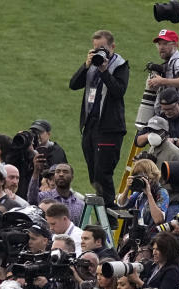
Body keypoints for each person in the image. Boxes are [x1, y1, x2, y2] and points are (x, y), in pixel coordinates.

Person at [69, 29, 129, 207]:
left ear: (112, 47)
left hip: (109, 127)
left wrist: (104, 70)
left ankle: (109, 217)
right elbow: (73, 85)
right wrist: (86, 65)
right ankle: (102, 211)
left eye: (102, 48)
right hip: (90, 125)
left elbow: (118, 91)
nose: (99, 53)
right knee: (94, 174)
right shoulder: (91, 65)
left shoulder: (120, 65)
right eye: (95, 49)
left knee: (103, 174)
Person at [147, 29, 179, 110]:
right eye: (159, 44)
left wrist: (162, 81)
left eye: (165, 44)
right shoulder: (169, 62)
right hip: (170, 113)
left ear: (175, 45)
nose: (161, 47)